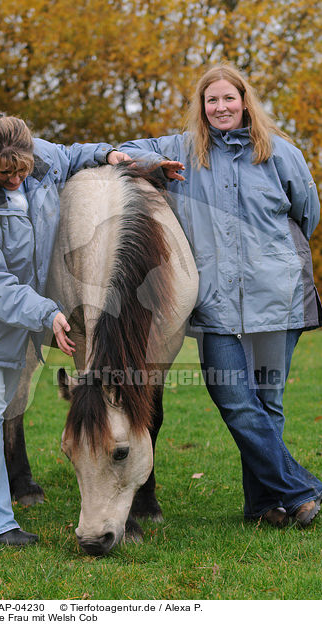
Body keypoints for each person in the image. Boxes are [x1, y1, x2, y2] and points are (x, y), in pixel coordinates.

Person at [119, 63, 322, 528]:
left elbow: (306, 215)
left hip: (277, 297)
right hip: (213, 303)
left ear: (244, 101)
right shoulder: (182, 151)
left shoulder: (282, 154)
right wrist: (150, 166)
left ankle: (264, 506)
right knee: (233, 399)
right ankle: (302, 489)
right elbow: (126, 152)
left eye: (229, 98)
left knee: (268, 405)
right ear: (202, 106)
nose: (221, 107)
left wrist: (267, 259)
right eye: (212, 100)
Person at [0, 112, 130, 545]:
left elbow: (70, 155)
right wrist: (48, 313)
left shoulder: (34, 159)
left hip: (5, 316)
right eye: (5, 171)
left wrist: (108, 154)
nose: (17, 178)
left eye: (23, 169)